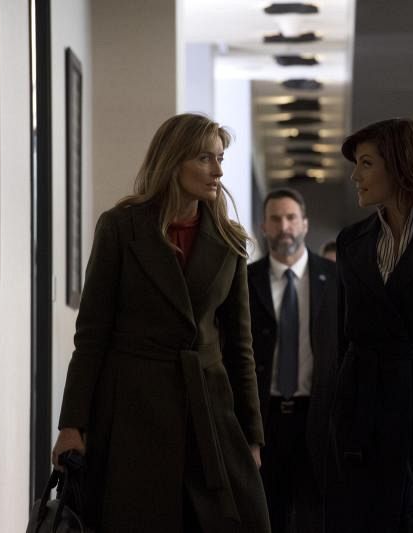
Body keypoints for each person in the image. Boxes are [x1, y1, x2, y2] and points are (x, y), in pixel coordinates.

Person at [51, 113, 271, 533]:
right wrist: (71, 425)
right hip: (132, 410)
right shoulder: (121, 228)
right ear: (173, 161)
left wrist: (252, 436)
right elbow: (91, 336)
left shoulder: (230, 241)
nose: (218, 171)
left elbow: (240, 347)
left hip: (208, 411)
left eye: (221, 158)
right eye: (205, 158)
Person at [326, 118, 413, 532]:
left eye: (366, 163)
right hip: (361, 404)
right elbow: (341, 335)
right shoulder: (351, 241)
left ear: (401, 166)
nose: (355, 176)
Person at [247, 188, 339, 533]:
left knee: (315, 517)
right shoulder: (244, 281)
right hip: (265, 419)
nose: (284, 226)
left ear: (305, 224)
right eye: (275, 219)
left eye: (291, 218)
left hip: (317, 418)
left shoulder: (335, 279)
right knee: (266, 516)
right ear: (263, 226)